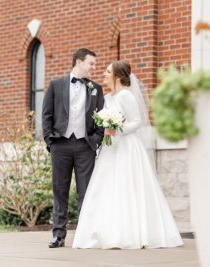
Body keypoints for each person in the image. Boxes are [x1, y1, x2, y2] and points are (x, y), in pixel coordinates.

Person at [72, 61, 183, 249]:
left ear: (117, 76)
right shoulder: (107, 97)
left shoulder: (126, 96)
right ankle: (105, 232)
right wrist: (105, 128)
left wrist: (118, 129)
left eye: (108, 72)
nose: (104, 74)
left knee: (127, 187)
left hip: (127, 148)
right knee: (107, 187)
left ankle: (132, 234)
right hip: (110, 149)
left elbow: (137, 121)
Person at [42, 48, 104, 248]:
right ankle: (58, 235)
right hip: (60, 145)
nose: (94, 68)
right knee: (60, 190)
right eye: (91, 64)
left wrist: (96, 139)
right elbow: (47, 115)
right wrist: (50, 140)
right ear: (79, 62)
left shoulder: (96, 88)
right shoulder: (56, 85)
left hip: (85, 146)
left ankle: (84, 235)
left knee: (86, 191)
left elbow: (101, 118)